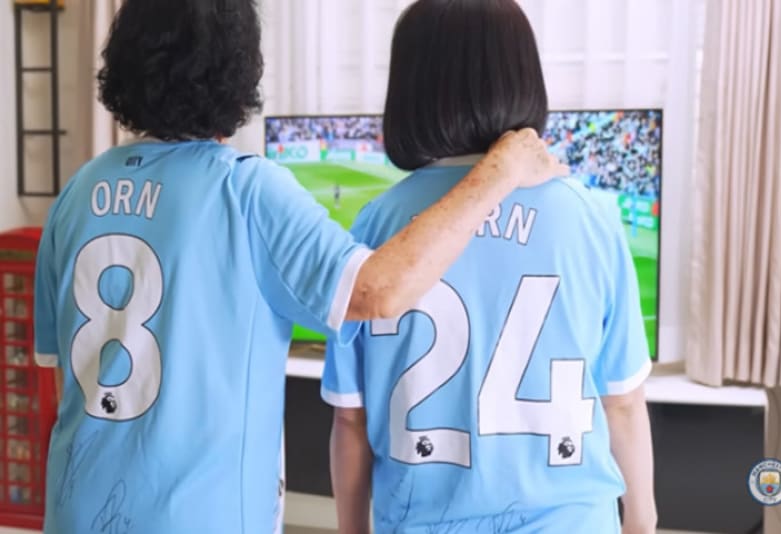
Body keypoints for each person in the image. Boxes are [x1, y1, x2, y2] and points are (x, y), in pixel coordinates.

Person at [31, 1, 565, 533]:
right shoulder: (245, 190)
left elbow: (61, 385)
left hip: (76, 512)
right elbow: (378, 290)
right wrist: (502, 168)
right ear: (239, 66)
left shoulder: (77, 193)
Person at [322, 1, 657, 533]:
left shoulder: (374, 226)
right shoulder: (592, 218)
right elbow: (622, 402)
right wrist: (642, 519)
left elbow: (350, 417)